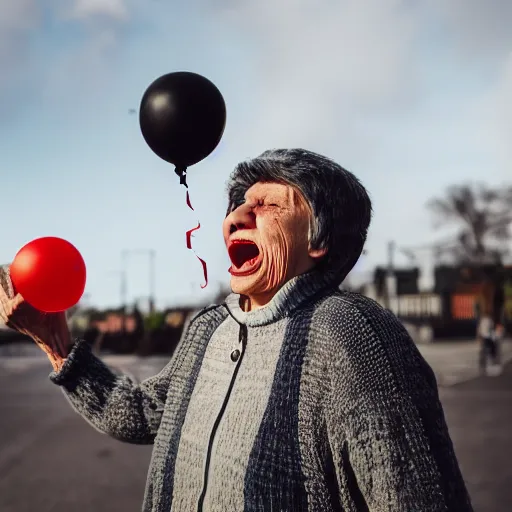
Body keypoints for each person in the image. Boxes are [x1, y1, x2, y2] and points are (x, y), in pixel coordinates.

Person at [0, 149, 473, 511]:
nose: (236, 217)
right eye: (238, 206)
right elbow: (144, 416)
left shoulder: (352, 332)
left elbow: (420, 496)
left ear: (321, 240)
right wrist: (56, 346)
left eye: (267, 205)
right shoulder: (208, 328)